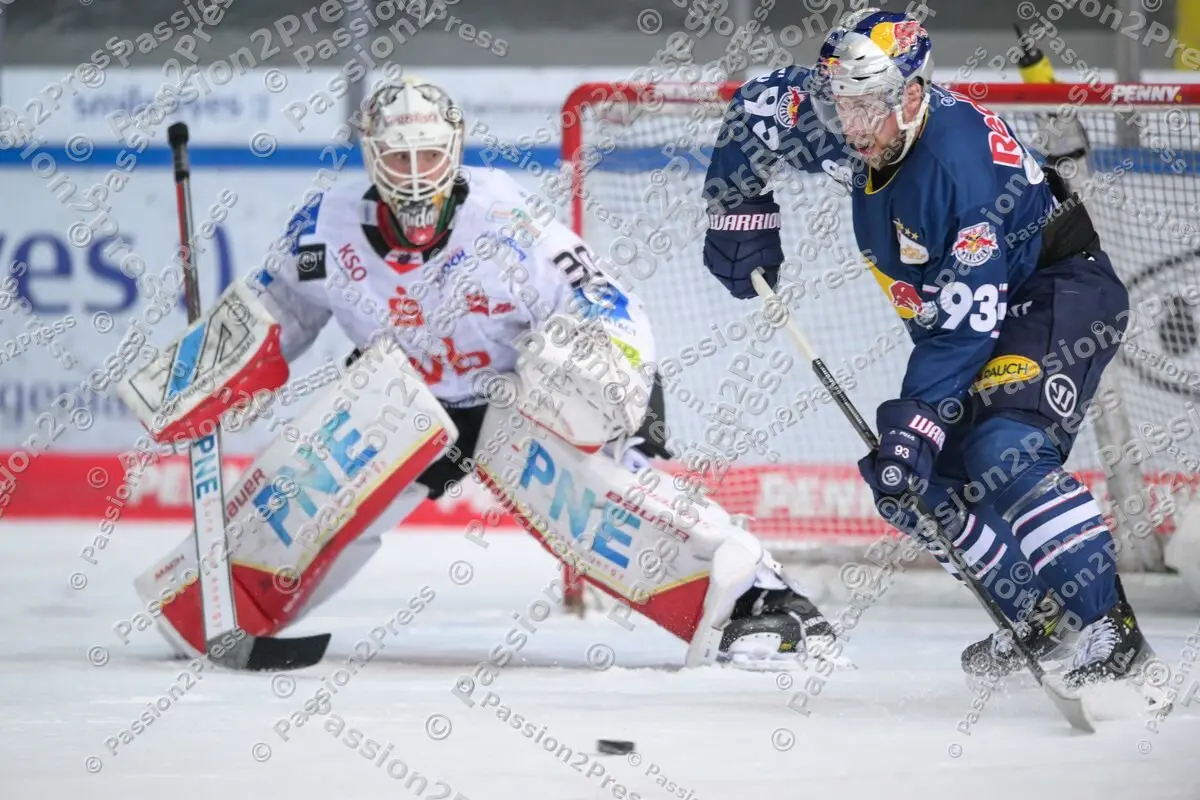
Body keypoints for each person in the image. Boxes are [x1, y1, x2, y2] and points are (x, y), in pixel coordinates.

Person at [119, 77, 845, 670]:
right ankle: (208, 602)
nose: (413, 176)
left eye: (429, 156)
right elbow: (276, 306)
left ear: (455, 151)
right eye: (397, 158)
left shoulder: (505, 220)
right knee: (308, 486)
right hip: (404, 407)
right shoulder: (325, 228)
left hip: (513, 400)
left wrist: (610, 378)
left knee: (599, 509)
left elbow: (601, 296)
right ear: (372, 156)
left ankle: (756, 601)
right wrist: (211, 367)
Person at [701, 9, 1153, 688]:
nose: (852, 126)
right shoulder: (847, 120)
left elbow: (966, 328)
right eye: (841, 105)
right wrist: (739, 208)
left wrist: (918, 423)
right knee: (908, 483)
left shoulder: (957, 169)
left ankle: (1111, 630)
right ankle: (1041, 616)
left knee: (1002, 448)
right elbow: (755, 111)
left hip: (1055, 295)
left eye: (869, 108)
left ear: (912, 95)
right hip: (979, 317)